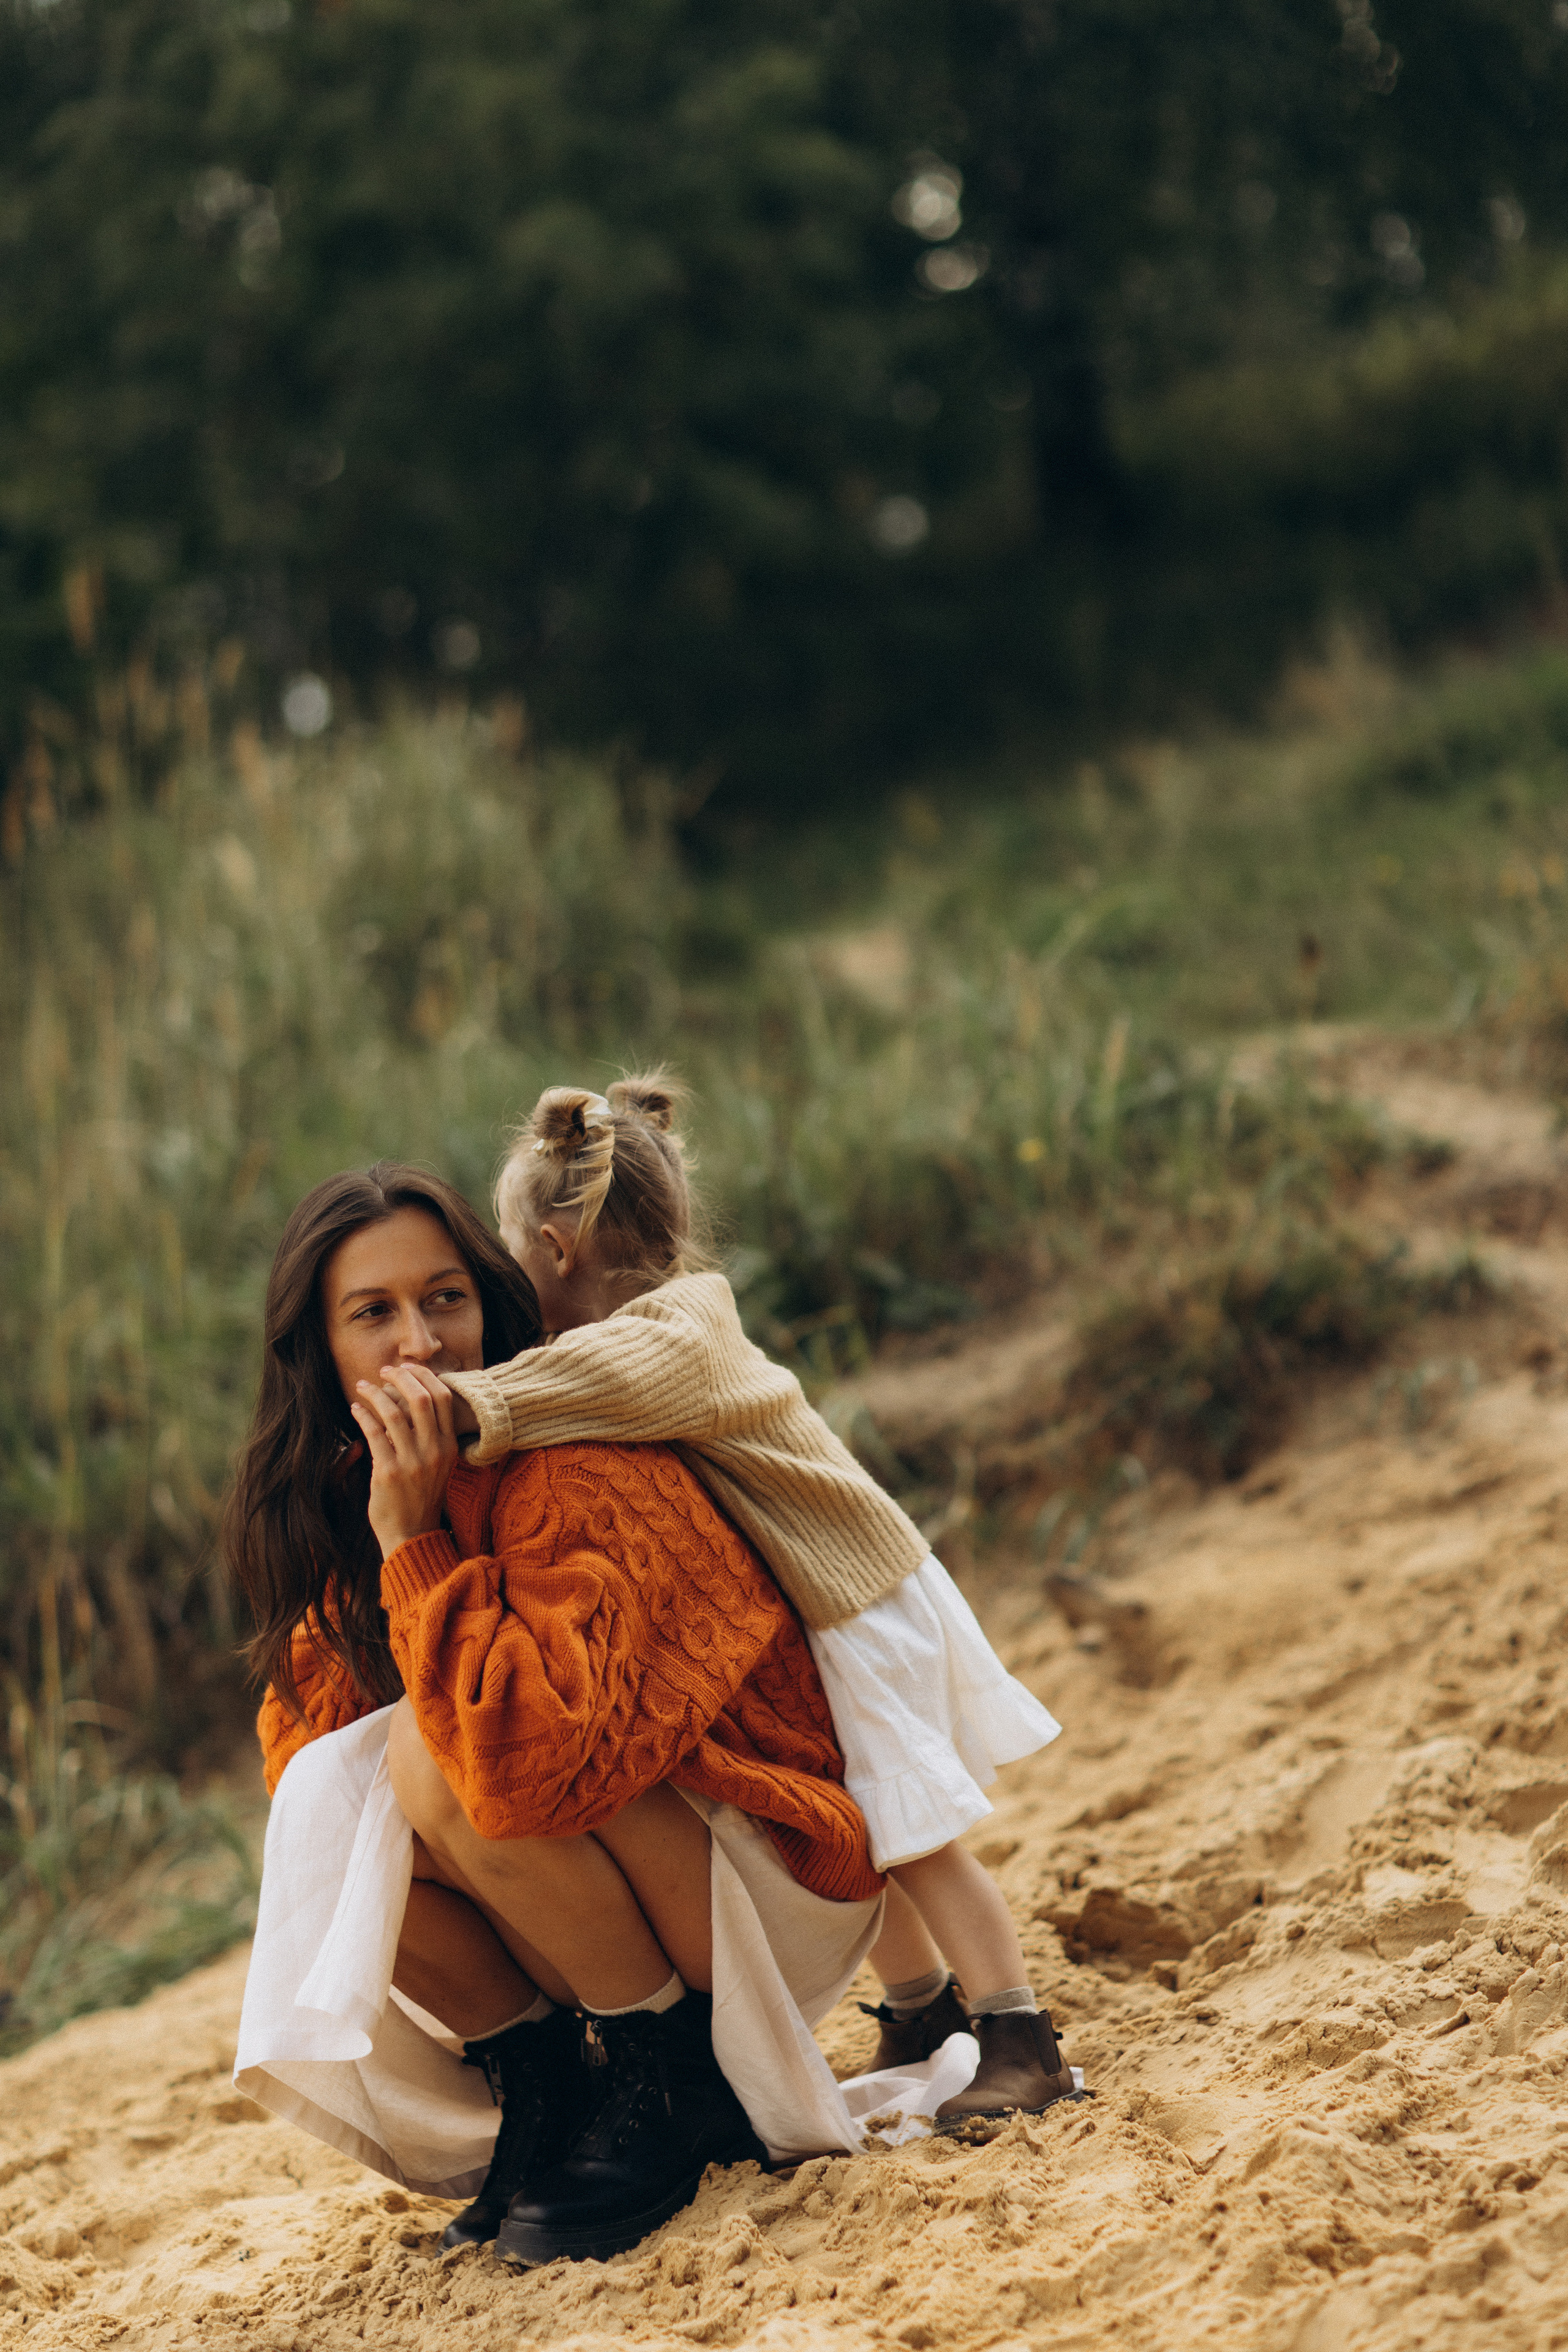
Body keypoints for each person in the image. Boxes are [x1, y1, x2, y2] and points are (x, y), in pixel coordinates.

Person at [227, 1163, 1002, 2270]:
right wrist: (386, 1535)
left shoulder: (567, 1456)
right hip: (632, 1875)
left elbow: (526, 1767)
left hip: (769, 1869)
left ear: (490, 1303)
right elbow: (307, 1770)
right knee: (335, 1795)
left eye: (445, 1299)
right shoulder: (357, 1488)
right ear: (322, 1351)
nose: (421, 1343)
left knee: (431, 1751)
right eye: (374, 1314)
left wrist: (416, 1549)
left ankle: (679, 2079)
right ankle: (549, 2088)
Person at [420, 1071, 1072, 2131]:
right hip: (824, 1603)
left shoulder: (687, 1325)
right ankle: (921, 2011)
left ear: (552, 1247)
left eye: (502, 1250)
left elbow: (604, 1383)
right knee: (861, 1814)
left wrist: (463, 1407)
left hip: (862, 1598)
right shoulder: (625, 1337)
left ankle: (1020, 2031)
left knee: (914, 1829)